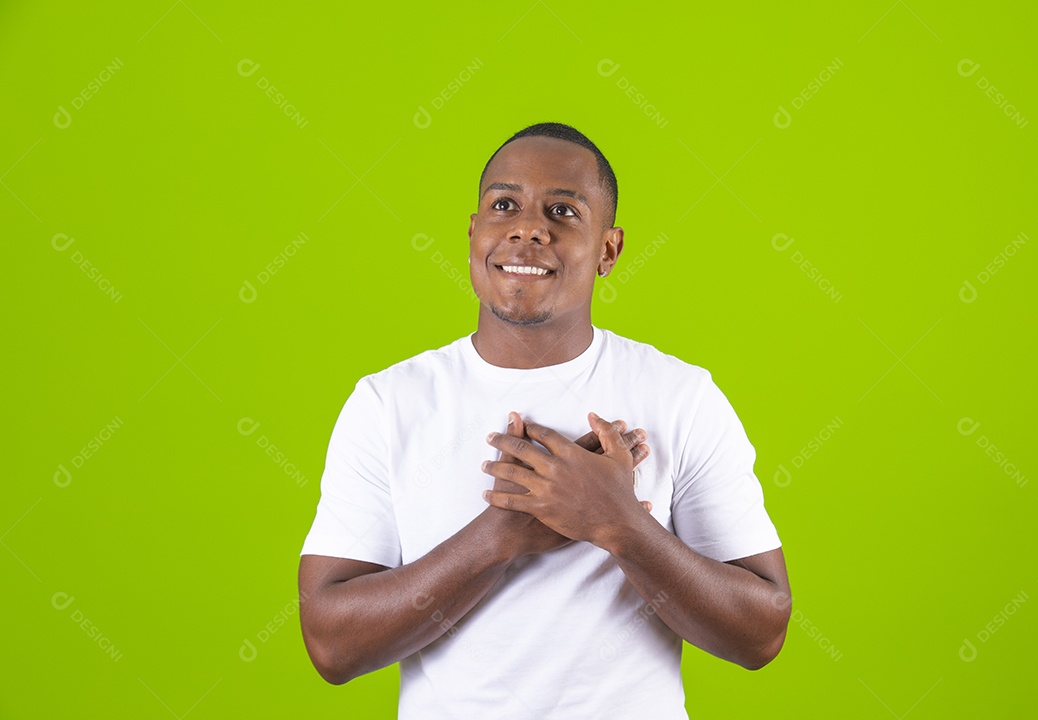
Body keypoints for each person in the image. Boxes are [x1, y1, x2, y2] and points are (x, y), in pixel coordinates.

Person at [298, 122, 791, 719]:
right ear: (474, 233)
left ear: (609, 250)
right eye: (504, 205)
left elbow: (760, 633)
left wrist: (618, 526)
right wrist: (501, 536)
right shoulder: (388, 403)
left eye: (563, 211)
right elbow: (330, 644)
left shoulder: (682, 396)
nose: (528, 227)